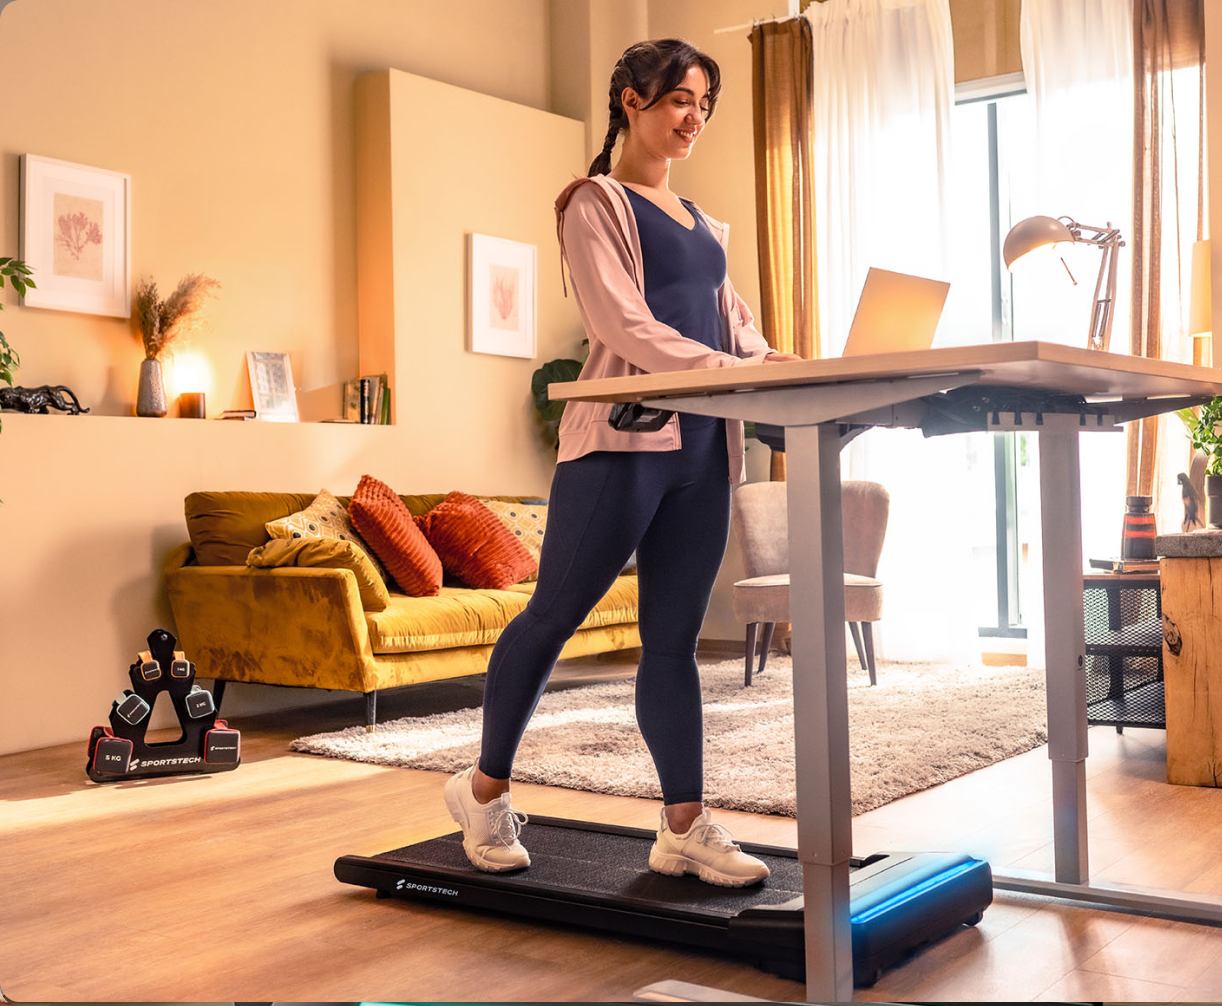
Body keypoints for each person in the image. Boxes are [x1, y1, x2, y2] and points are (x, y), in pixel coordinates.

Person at [444, 38, 802, 888]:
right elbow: (621, 323)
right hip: (623, 442)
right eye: (680, 99)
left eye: (704, 105)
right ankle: (484, 792)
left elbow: (733, 328)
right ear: (631, 100)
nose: (694, 118)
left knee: (672, 641)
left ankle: (683, 827)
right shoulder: (594, 202)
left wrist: (777, 364)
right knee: (553, 615)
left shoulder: (704, 224)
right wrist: (733, 370)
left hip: (702, 451)